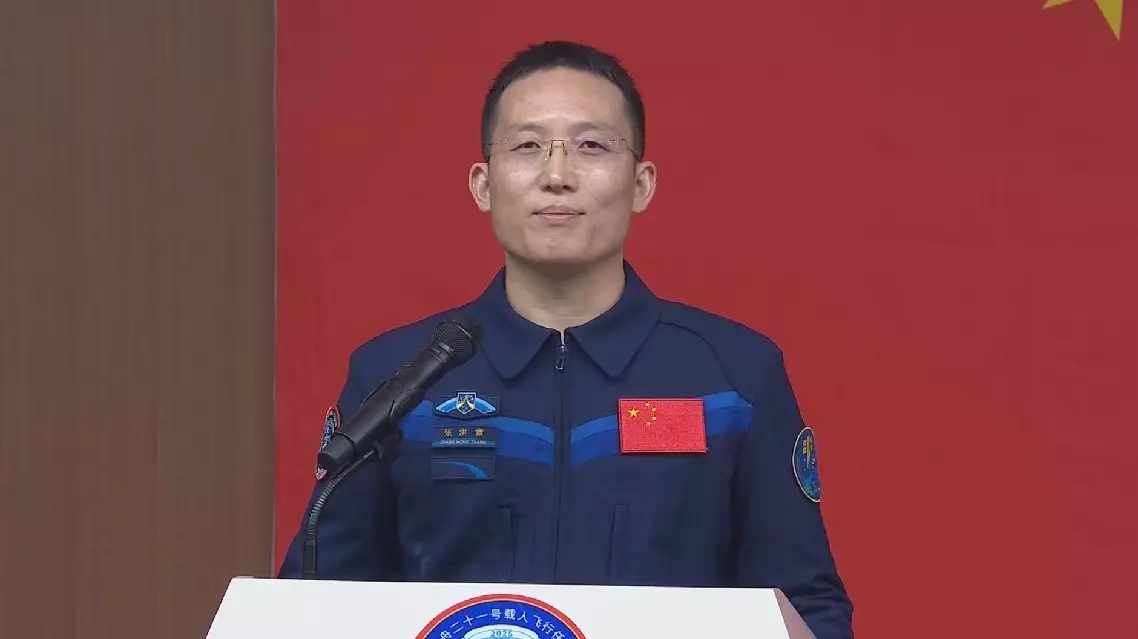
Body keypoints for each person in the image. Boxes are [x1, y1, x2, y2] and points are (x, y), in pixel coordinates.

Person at [279, 40, 854, 638]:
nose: (557, 176)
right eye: (527, 146)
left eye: (592, 146)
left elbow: (806, 609)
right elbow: (312, 604)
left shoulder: (734, 378)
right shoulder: (399, 376)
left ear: (641, 184)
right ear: (483, 184)